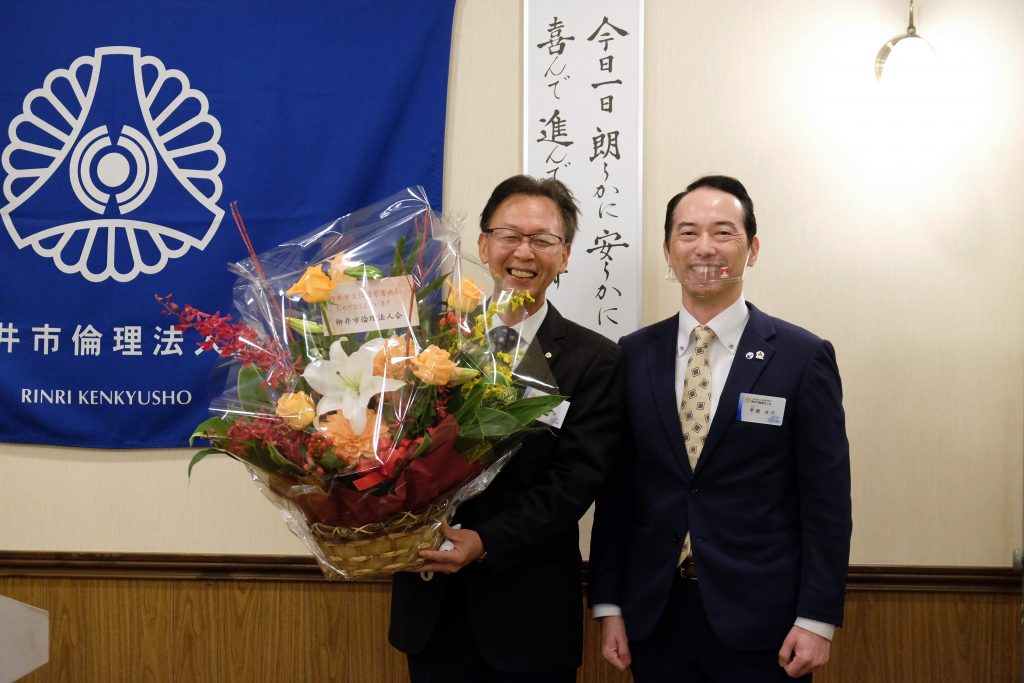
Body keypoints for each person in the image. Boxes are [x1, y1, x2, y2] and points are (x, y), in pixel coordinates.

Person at [589, 175, 852, 682]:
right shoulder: (634, 354)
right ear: (668, 251)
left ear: (752, 249)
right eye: (688, 233)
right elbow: (618, 491)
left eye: (723, 232)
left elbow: (827, 500)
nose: (704, 248)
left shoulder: (801, 357)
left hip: (765, 621)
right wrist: (608, 604)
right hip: (655, 615)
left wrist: (817, 618)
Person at [389, 174, 624, 682]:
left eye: (542, 239)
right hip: (430, 606)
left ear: (565, 256)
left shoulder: (594, 359)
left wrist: (485, 540)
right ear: (483, 245)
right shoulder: (432, 343)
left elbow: (575, 481)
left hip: (528, 613)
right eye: (509, 235)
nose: (524, 251)